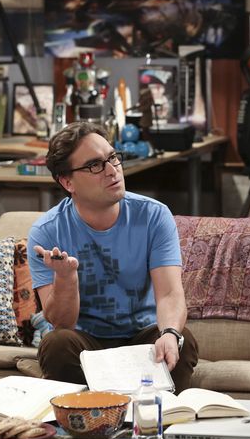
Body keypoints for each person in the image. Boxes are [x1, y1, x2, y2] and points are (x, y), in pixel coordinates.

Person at [28, 121, 198, 393]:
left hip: (143, 338)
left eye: (113, 158)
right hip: (86, 343)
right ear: (67, 182)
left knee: (182, 340)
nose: (112, 170)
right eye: (95, 165)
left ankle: (164, 415)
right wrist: (66, 278)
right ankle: (82, 415)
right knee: (57, 344)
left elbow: (169, 294)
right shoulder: (47, 232)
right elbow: (62, 323)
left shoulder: (153, 216)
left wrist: (169, 333)